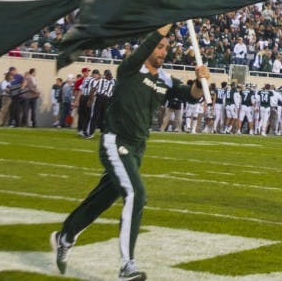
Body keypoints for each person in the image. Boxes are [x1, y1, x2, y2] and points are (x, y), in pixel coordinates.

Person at [51, 23, 210, 281]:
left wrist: (199, 81)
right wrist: (169, 16)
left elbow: (189, 96)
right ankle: (127, 265)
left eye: (166, 48)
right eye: (159, 47)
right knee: (136, 194)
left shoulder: (165, 80)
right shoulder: (129, 69)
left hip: (137, 148)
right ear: (148, 46)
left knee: (102, 198)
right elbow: (148, 44)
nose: (163, 52)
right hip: (116, 141)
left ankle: (66, 235)